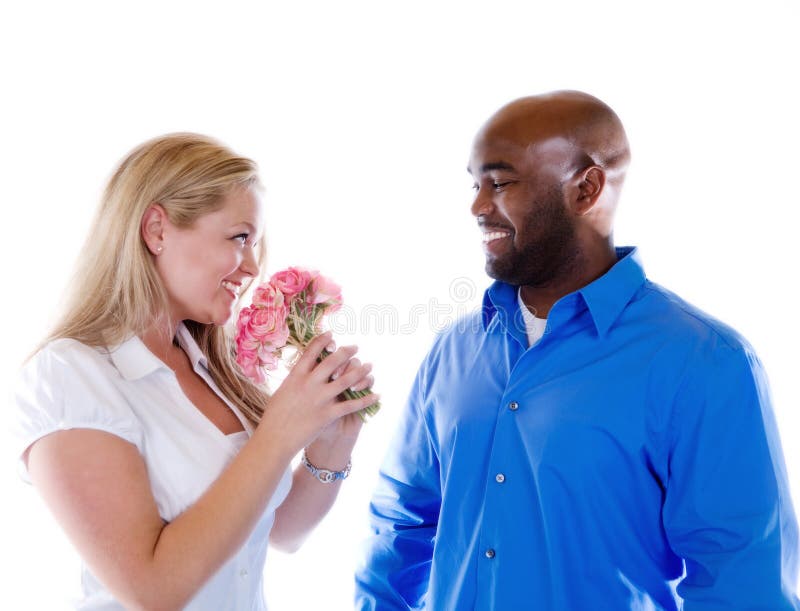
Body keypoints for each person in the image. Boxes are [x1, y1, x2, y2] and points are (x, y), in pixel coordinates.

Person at [355, 91, 800, 609]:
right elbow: (400, 528)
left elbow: (744, 582)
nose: (477, 206)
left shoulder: (704, 362)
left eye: (499, 183)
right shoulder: (452, 351)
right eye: (475, 185)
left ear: (586, 188)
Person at [12, 133, 379, 610]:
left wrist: (329, 449)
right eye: (239, 237)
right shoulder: (68, 377)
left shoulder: (212, 371)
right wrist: (279, 432)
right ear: (157, 230)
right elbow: (153, 591)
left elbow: (280, 532)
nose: (252, 266)